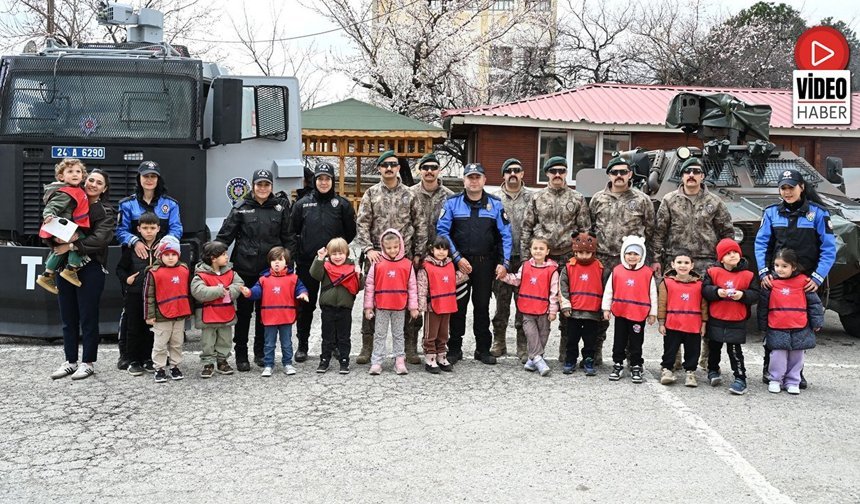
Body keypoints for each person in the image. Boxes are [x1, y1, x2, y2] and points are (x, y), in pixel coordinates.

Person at [754, 168, 835, 388]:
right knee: (775, 322)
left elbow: (829, 248)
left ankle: (796, 374)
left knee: (801, 327)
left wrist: (817, 277)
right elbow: (761, 244)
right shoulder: (771, 213)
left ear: (802, 187)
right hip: (777, 279)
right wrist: (763, 272)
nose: (787, 192)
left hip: (805, 281)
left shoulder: (818, 214)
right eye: (783, 188)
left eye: (791, 187)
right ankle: (770, 368)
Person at [652, 156, 733, 369]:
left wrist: (724, 264)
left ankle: (706, 358)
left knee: (705, 310)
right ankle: (674, 357)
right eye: (688, 172)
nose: (691, 175)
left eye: (696, 172)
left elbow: (726, 233)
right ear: (682, 175)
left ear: (702, 176)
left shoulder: (715, 202)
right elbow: (659, 232)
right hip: (674, 262)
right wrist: (656, 260)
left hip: (707, 262)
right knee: (673, 310)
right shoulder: (669, 200)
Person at [354, 150, 427, 365]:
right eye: (384, 164)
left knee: (407, 300)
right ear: (379, 168)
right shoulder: (371, 193)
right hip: (377, 257)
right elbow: (362, 223)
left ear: (398, 168)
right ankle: (368, 346)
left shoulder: (410, 194)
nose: (389, 168)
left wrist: (418, 254)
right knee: (373, 300)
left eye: (393, 164)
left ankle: (409, 346)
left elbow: (420, 224)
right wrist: (368, 250)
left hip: (405, 258)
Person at [215, 168, 291, 371]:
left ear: (271, 187)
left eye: (267, 184)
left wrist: (290, 266)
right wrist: (212, 258)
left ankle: (260, 352)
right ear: (253, 185)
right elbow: (225, 235)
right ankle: (241, 354)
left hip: (269, 271)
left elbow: (288, 239)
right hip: (244, 269)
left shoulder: (280, 209)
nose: (263, 188)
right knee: (244, 313)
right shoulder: (241, 207)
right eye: (259, 184)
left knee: (264, 313)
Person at [436, 162, 512, 365]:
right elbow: (442, 232)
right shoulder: (452, 203)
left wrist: (504, 262)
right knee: (457, 308)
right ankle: (454, 349)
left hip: (485, 265)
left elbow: (505, 235)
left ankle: (483, 349)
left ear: (484, 180)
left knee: (482, 307)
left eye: (478, 177)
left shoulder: (495, 204)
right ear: (464, 180)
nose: (474, 180)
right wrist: (457, 258)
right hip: (458, 264)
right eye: (470, 177)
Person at [521, 156, 591, 362]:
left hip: (569, 258)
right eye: (553, 171)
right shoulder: (537, 198)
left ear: (566, 172)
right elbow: (527, 228)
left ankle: (565, 350)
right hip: (543, 259)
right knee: (535, 304)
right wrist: (527, 260)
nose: (558, 174)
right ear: (547, 174)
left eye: (562, 170)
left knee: (568, 305)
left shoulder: (577, 198)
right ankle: (531, 349)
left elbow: (585, 230)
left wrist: (581, 261)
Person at [115, 160, 182, 371]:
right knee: (131, 314)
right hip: (135, 260)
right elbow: (120, 231)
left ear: (158, 179)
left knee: (154, 315)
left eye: (153, 176)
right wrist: (134, 242)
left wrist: (163, 247)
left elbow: (176, 229)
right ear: (139, 179)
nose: (149, 180)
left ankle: (149, 357)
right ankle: (127, 356)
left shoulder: (170, 204)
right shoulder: (127, 204)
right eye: (145, 176)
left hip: (161, 262)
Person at [50, 168, 116, 381]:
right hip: (63, 266)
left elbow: (100, 240)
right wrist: (54, 240)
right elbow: (50, 228)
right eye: (91, 180)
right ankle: (70, 361)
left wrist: (70, 246)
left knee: (88, 316)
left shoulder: (106, 210)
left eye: (99, 183)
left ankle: (87, 362)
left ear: (104, 189)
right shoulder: (68, 200)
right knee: (68, 317)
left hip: (91, 267)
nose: (93, 184)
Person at [286, 161, 356, 363]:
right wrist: (300, 254)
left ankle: (333, 345)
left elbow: (350, 233)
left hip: (335, 266)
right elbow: (293, 232)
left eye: (327, 179)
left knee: (333, 306)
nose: (324, 182)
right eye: (320, 179)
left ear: (332, 181)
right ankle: (303, 345)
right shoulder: (302, 204)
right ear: (314, 180)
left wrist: (336, 252)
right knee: (305, 305)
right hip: (309, 263)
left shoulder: (342, 204)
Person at [588, 156, 655, 365]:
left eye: (623, 172)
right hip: (604, 261)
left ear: (630, 174)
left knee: (631, 309)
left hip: (633, 265)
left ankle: (630, 353)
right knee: (601, 308)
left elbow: (651, 231)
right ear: (609, 175)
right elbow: (590, 229)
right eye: (615, 172)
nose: (619, 176)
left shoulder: (642, 200)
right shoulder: (597, 199)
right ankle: (596, 350)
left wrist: (649, 260)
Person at [406, 152, 454, 365]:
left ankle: (440, 348)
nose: (429, 171)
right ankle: (411, 347)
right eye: (425, 168)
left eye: (433, 167)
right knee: (416, 301)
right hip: (415, 256)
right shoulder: (409, 194)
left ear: (439, 170)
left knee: (440, 304)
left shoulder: (450, 196)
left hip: (441, 258)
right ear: (420, 170)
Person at [757, 248, 824, 395]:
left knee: (797, 356)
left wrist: (817, 322)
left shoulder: (804, 282)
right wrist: (762, 325)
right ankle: (775, 380)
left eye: (784, 266)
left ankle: (793, 381)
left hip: (800, 326)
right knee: (777, 356)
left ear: (793, 267)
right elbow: (763, 306)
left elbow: (814, 304)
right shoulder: (770, 283)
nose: (779, 269)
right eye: (777, 265)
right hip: (777, 326)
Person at [702, 238, 759, 395]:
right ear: (721, 258)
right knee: (714, 347)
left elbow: (755, 295)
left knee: (734, 350)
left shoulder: (748, 275)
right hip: (717, 317)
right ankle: (713, 370)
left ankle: (740, 378)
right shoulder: (712, 272)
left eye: (735, 252)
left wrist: (742, 295)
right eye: (728, 253)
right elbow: (705, 290)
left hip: (736, 319)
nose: (732, 255)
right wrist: (717, 292)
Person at [490, 158, 532, 362]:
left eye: (517, 170)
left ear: (523, 174)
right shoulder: (494, 199)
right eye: (509, 171)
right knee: (501, 303)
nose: (513, 173)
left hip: (525, 259)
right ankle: (499, 340)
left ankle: (522, 345)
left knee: (523, 304)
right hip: (502, 260)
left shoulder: (533, 198)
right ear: (503, 175)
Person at [246, 246, 309, 378]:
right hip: (270, 317)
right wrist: (249, 292)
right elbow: (256, 292)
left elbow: (301, 288)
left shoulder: (293, 278)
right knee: (269, 343)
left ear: (287, 262)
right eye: (273, 260)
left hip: (286, 316)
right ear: (269, 262)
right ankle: (268, 365)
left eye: (280, 260)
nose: (276, 262)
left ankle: (287, 363)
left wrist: (303, 293)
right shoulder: (264, 279)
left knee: (287, 343)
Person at [500, 237, 559, 377]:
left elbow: (554, 292)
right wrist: (504, 277)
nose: (538, 251)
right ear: (531, 250)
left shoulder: (552, 270)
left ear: (547, 251)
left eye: (541, 249)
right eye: (535, 248)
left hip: (543, 309)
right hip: (527, 309)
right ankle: (539, 360)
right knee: (531, 334)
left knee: (543, 335)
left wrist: (553, 310)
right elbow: (517, 279)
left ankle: (532, 361)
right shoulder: (525, 266)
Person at [602, 235, 657, 384]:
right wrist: (606, 308)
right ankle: (618, 363)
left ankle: (636, 364)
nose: (632, 257)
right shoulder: (617, 271)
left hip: (638, 314)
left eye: (636, 254)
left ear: (642, 255)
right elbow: (609, 291)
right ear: (623, 254)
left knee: (636, 341)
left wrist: (653, 313)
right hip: (621, 312)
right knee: (619, 340)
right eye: (629, 253)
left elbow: (652, 294)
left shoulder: (647, 273)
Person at [363, 229, 419, 375]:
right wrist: (368, 307)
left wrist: (413, 307)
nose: (392, 250)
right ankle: (377, 362)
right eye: (388, 248)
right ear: (382, 247)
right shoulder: (377, 263)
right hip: (381, 306)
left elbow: (412, 287)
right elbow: (370, 286)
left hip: (399, 306)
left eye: (395, 247)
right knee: (380, 334)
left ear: (400, 245)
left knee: (398, 334)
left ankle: (399, 360)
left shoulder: (407, 264)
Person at [191, 241, 246, 378]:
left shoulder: (230, 272)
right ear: (213, 258)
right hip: (208, 315)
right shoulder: (200, 275)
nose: (226, 257)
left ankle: (222, 361)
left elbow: (239, 284)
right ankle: (208, 363)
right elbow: (198, 291)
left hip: (225, 313)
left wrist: (230, 291)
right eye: (223, 254)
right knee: (208, 341)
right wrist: (219, 291)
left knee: (225, 339)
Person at [36, 158, 91, 293]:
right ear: (61, 176)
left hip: (63, 227)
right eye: (70, 171)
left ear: (83, 176)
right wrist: (48, 215)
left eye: (78, 171)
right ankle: (71, 269)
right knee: (79, 240)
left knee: (60, 250)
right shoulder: (66, 192)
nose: (75, 174)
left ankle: (47, 274)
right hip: (64, 227)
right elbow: (52, 206)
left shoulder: (76, 190)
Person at [116, 212, 161, 376]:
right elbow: (119, 269)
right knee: (133, 327)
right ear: (138, 229)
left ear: (158, 229)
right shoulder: (131, 249)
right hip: (135, 293)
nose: (149, 231)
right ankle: (132, 360)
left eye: (152, 228)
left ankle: (148, 358)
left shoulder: (163, 248)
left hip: (155, 296)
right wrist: (126, 279)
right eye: (145, 228)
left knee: (151, 327)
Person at [310, 237, 364, 374]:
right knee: (327, 336)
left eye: (340, 253)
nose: (337, 257)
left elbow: (359, 287)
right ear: (329, 254)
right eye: (334, 254)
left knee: (344, 337)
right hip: (327, 307)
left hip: (345, 308)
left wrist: (359, 275)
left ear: (347, 253)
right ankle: (324, 359)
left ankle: (344, 359)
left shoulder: (352, 268)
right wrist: (320, 258)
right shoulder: (326, 266)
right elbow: (315, 274)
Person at [144, 237, 192, 383]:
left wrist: (189, 310)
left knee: (177, 342)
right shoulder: (154, 272)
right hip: (161, 315)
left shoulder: (184, 269)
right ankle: (159, 368)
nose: (170, 258)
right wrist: (149, 315)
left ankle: (175, 366)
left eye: (173, 254)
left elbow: (188, 292)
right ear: (160, 255)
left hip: (179, 314)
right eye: (166, 254)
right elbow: (148, 296)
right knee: (160, 344)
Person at [657, 250, 707, 387]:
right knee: (670, 349)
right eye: (679, 262)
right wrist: (661, 322)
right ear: (673, 264)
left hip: (693, 324)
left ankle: (690, 372)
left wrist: (704, 323)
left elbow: (703, 305)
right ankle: (667, 370)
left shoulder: (699, 284)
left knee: (693, 350)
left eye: (686, 263)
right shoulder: (666, 283)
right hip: (673, 324)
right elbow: (662, 304)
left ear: (692, 265)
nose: (682, 265)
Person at [417, 236, 467, 374]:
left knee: (443, 333)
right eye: (438, 249)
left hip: (447, 304)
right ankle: (430, 356)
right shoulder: (426, 267)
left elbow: (452, 280)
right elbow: (422, 288)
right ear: (431, 250)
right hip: (432, 306)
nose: (441, 252)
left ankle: (441, 354)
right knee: (431, 333)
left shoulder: (450, 265)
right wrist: (420, 306)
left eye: (444, 249)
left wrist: (465, 273)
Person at [559, 232, 604, 376]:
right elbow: (562, 287)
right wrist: (565, 305)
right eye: (580, 252)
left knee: (590, 340)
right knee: (572, 339)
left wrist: (604, 309)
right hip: (574, 312)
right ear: (575, 251)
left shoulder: (601, 268)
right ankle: (570, 360)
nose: (584, 256)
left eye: (587, 253)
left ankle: (588, 360)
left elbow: (606, 290)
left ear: (593, 252)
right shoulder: (568, 267)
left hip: (593, 312)